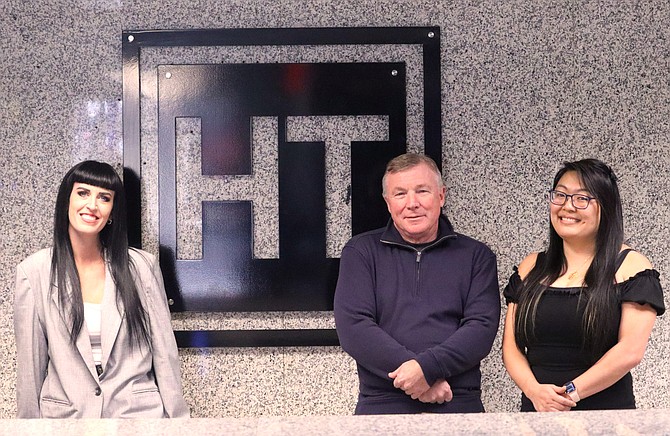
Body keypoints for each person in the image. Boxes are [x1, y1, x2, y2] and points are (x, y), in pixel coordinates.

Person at [14, 160, 189, 418]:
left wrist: (180, 425)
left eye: (104, 198)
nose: (92, 205)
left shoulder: (141, 267)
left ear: (112, 212)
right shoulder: (34, 272)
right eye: (83, 193)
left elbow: (165, 354)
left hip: (137, 418)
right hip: (66, 421)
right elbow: (30, 368)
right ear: (67, 200)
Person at [334, 153, 500, 414]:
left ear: (441, 196)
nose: (412, 203)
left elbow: (481, 327)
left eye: (422, 191)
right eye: (400, 194)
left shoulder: (476, 256)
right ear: (388, 203)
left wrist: (428, 369)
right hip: (382, 403)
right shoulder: (361, 252)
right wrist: (419, 379)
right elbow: (354, 327)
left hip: (456, 401)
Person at [502, 158, 665, 412]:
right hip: (536, 414)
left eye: (582, 199)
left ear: (606, 207)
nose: (568, 207)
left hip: (606, 418)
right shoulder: (531, 266)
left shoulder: (631, 266)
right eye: (561, 195)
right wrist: (534, 391)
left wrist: (567, 394)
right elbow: (510, 349)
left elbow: (630, 351)